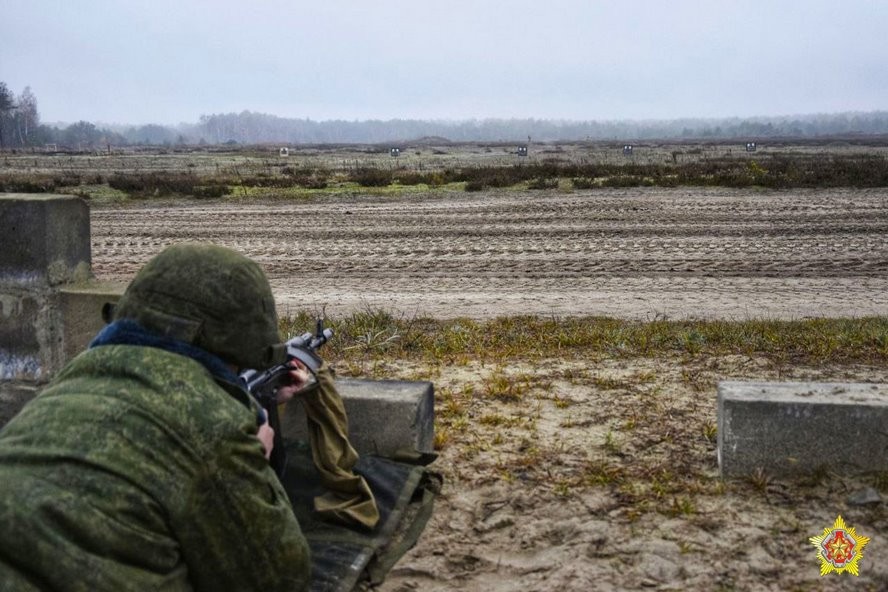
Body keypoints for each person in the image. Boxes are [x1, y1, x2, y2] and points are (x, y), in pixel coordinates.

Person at [0, 243, 312, 591]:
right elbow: (279, 576)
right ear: (244, 346)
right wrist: (256, 460)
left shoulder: (71, 382)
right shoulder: (213, 427)